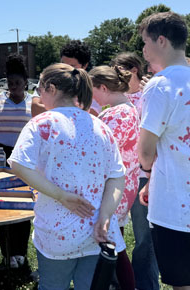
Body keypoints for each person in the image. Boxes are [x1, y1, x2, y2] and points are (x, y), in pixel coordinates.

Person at [9, 63, 126, 290]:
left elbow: (18, 164)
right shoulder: (100, 126)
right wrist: (105, 215)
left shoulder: (41, 124)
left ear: (51, 88)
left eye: (40, 89)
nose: (39, 95)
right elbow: (117, 177)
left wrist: (60, 195)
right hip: (97, 232)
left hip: (57, 232)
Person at [137, 11, 190, 290]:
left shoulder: (160, 86)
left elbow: (145, 151)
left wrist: (148, 174)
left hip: (175, 207)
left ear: (161, 40)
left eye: (145, 43)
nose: (143, 51)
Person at [110, 53, 160, 290]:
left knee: (144, 238)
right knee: (112, 230)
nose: (115, 74)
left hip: (141, 176)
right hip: (117, 176)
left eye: (119, 69)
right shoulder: (112, 96)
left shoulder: (149, 94)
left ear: (134, 70)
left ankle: (146, 284)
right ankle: (116, 280)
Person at [89, 65, 140, 290]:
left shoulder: (114, 114)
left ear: (103, 87)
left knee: (115, 247)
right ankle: (114, 283)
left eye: (93, 91)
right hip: (126, 185)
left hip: (113, 187)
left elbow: (100, 152)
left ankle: (126, 285)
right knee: (114, 237)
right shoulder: (129, 109)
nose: (92, 97)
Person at [0, 54, 32, 268]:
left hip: (25, 158)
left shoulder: (34, 102)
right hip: (1, 154)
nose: (13, 87)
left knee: (23, 204)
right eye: (10, 83)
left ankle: (20, 253)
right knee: (3, 202)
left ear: (26, 83)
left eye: (18, 83)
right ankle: (7, 253)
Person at [31, 40, 100, 116]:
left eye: (72, 66)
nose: (65, 69)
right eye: (62, 64)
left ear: (85, 66)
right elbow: (35, 108)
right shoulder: (48, 79)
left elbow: (92, 115)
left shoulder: (92, 86)